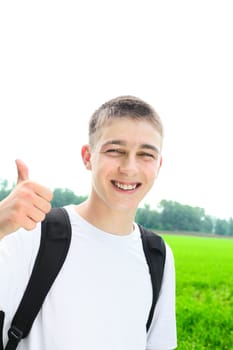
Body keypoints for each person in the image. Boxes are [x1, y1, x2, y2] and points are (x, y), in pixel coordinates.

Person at [0, 95, 177, 350]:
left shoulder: (158, 255)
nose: (129, 167)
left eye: (146, 154)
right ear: (87, 156)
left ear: (158, 165)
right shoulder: (34, 233)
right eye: (115, 151)